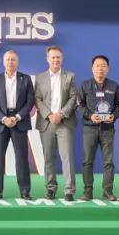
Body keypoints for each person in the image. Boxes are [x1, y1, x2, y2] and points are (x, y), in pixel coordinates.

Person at [0, 50, 35, 200]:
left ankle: (25, 191)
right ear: (3, 62)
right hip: (1, 123)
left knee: (22, 158)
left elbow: (30, 101)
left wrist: (17, 117)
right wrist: (4, 118)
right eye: (7, 59)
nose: (10, 62)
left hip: (19, 121)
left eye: (13, 59)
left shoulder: (26, 79)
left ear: (17, 62)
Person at [34, 45, 77, 201]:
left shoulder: (70, 76)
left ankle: (69, 190)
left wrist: (62, 114)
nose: (56, 60)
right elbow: (37, 98)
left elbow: (73, 97)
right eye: (53, 57)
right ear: (47, 59)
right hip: (47, 122)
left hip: (64, 122)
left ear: (62, 58)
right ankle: (50, 188)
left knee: (67, 157)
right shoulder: (40, 78)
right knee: (48, 158)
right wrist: (49, 114)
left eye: (58, 57)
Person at [77, 54, 119, 201]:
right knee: (87, 161)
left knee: (108, 162)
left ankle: (107, 191)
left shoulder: (114, 86)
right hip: (90, 128)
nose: (100, 68)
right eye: (97, 66)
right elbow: (80, 105)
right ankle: (88, 191)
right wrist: (90, 116)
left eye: (103, 66)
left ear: (108, 68)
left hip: (108, 129)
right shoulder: (85, 85)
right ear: (92, 68)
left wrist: (113, 116)